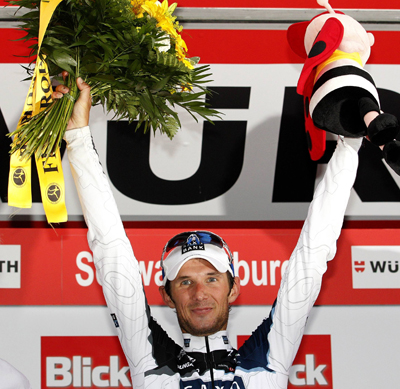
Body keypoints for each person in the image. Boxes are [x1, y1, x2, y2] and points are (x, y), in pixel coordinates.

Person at [56, 77, 361, 388]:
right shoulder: (147, 360)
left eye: (212, 278)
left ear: (234, 289)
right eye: (185, 281)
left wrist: (350, 144)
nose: (199, 294)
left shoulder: (270, 358)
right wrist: (77, 136)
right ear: (167, 296)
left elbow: (311, 257)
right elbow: (111, 251)